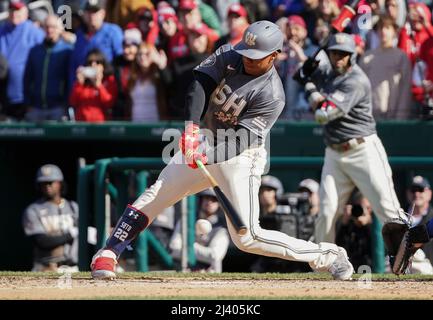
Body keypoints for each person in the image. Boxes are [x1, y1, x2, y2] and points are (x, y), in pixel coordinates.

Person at [90, 21, 354, 281]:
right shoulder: (230, 53)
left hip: (241, 156)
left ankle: (328, 255)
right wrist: (191, 129)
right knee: (158, 193)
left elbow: (241, 140)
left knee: (247, 238)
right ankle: (110, 251)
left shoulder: (273, 95)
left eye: (256, 56)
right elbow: (199, 85)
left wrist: (207, 156)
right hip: (205, 137)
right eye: (245, 53)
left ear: (274, 56)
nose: (247, 59)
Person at [294, 32, 408, 244]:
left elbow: (323, 114)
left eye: (343, 54)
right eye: (334, 53)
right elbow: (299, 74)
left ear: (352, 56)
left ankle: (417, 263)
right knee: (326, 213)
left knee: (388, 209)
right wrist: (304, 70)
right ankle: (322, 266)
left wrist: (307, 84)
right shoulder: (328, 72)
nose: (338, 58)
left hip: (362, 150)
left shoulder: (356, 80)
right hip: (334, 153)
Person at [22, 164, 79, 272]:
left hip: (72, 267)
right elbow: (42, 241)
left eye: (50, 182)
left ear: (59, 183)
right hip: (45, 267)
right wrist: (70, 234)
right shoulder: (33, 210)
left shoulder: (73, 207)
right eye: (43, 183)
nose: (47, 186)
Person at [358, 15, 413, 120]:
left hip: (393, 115)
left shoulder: (401, 57)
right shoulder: (367, 57)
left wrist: (401, 117)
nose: (383, 31)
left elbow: (405, 89)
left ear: (394, 31)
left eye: (387, 28)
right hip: (369, 116)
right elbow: (360, 89)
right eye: (380, 28)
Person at [0, 0, 44, 121]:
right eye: (12, 10)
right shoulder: (1, 31)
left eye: (18, 10)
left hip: (26, 98)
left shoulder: (35, 33)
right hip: (3, 99)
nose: (14, 13)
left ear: (25, 12)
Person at [24, 15, 74, 122]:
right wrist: (28, 103)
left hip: (58, 107)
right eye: (47, 27)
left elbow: (70, 80)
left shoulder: (67, 51)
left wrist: (65, 104)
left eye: (53, 27)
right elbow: (27, 78)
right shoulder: (35, 51)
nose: (50, 30)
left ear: (60, 29)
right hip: (36, 107)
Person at [169, 189, 230, 272]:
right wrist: (201, 253)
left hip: (210, 276)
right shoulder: (185, 222)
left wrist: (190, 246)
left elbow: (214, 256)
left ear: (219, 204)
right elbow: (173, 249)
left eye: (214, 200)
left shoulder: (221, 230)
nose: (209, 202)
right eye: (206, 198)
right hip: (185, 272)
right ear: (201, 200)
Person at [69, 0, 123, 87]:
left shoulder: (113, 32)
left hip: (107, 88)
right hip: (83, 91)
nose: (92, 16)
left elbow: (121, 62)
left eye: (95, 12)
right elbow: (73, 65)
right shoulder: (79, 35)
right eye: (88, 12)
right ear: (83, 14)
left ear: (103, 13)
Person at [69, 49, 118, 122]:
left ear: (103, 65)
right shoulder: (82, 82)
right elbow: (73, 102)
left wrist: (99, 85)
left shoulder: (109, 80)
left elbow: (109, 103)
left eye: (97, 62)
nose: (93, 65)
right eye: (90, 62)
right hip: (82, 123)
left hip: (101, 124)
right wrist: (79, 84)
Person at [335, 190, 373, 271]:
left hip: (371, 268)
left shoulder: (375, 225)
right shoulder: (348, 224)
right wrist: (344, 224)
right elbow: (339, 246)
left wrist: (369, 224)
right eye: (361, 207)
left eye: (368, 208)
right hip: (351, 268)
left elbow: (378, 250)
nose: (364, 211)